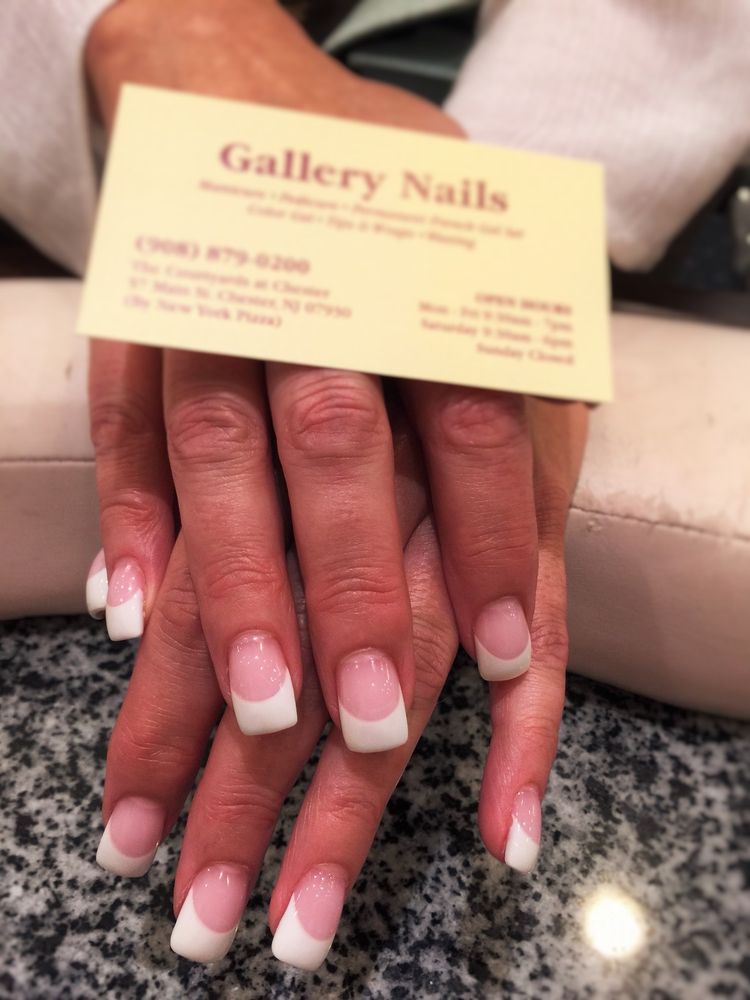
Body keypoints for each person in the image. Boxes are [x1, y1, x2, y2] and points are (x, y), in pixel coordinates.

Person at [1, 0, 748, 970]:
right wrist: (146, 24)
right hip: (114, 138)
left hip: (531, 116)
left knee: (430, 429)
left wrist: (481, 217)